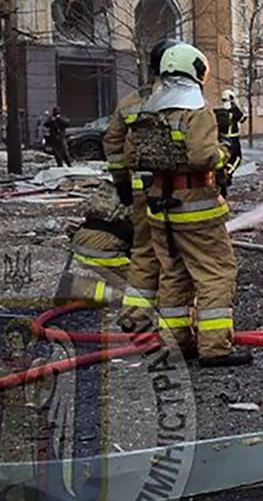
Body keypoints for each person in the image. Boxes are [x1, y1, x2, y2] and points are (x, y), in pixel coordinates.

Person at [137, 43, 249, 367]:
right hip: (196, 208)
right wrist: (224, 153)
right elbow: (203, 157)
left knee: (174, 275)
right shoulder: (196, 112)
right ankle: (215, 348)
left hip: (161, 208)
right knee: (216, 273)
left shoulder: (151, 110)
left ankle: (176, 344)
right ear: (195, 71)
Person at [104, 39, 178, 331]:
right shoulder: (185, 102)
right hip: (177, 191)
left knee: (144, 252)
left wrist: (122, 182)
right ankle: (178, 326)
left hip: (140, 191)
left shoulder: (131, 101)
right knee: (177, 256)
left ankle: (135, 317)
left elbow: (112, 143)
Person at [55, 182, 133, 306]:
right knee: (141, 297)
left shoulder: (125, 180)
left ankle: (79, 283)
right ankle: (75, 288)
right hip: (104, 245)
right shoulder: (151, 193)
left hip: (84, 237)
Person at [213, 90, 244, 198]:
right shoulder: (233, 111)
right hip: (233, 139)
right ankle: (228, 174)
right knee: (237, 158)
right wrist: (236, 103)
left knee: (223, 160)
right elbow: (243, 118)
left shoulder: (218, 112)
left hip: (221, 139)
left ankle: (221, 183)